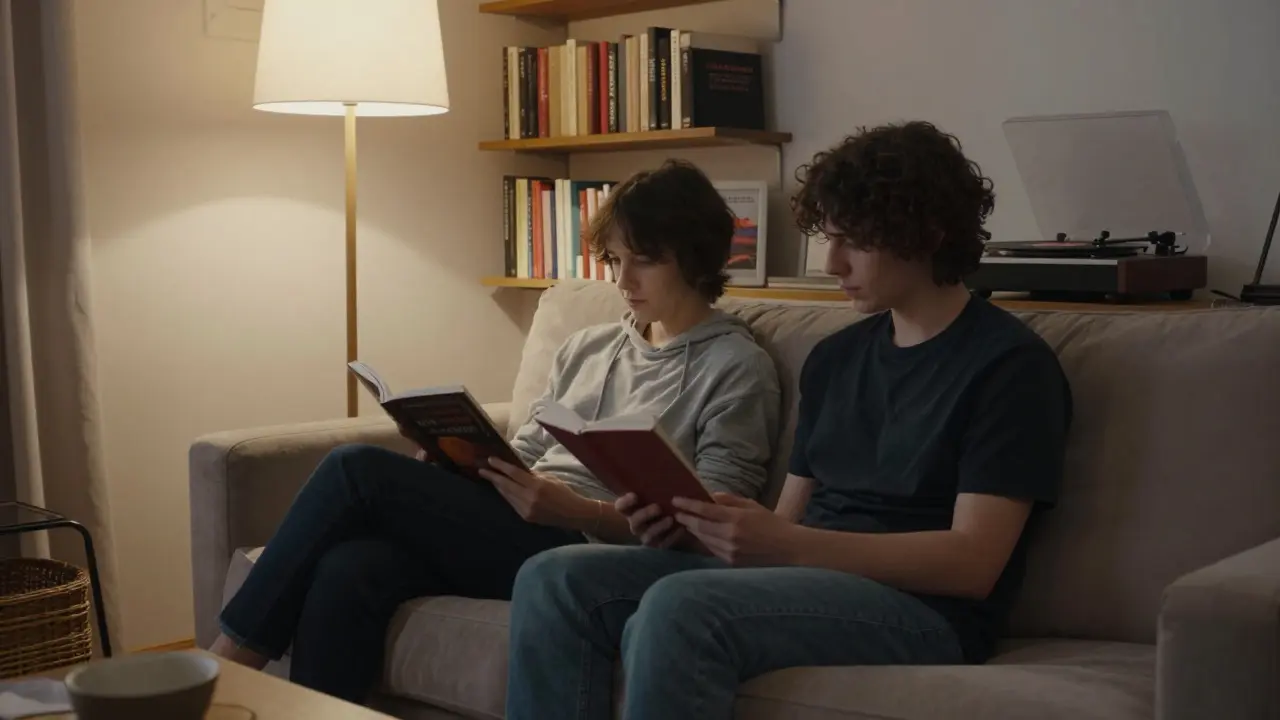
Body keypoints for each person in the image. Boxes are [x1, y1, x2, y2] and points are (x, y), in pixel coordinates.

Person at [503, 120, 1074, 720]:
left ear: (927, 234)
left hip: (925, 609)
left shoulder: (1009, 366)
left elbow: (972, 564)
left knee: (681, 606)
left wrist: (790, 545)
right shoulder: (837, 358)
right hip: (805, 578)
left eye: (853, 242)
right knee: (555, 577)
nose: (831, 263)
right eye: (829, 239)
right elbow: (785, 524)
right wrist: (702, 527)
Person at [209, 159, 782, 704]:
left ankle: (221, 678)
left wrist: (580, 512)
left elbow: (719, 524)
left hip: (589, 552)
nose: (622, 279)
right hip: (518, 522)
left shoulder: (736, 366)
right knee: (352, 565)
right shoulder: (589, 347)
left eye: (644, 261)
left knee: (355, 468)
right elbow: (528, 448)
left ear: (695, 258)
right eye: (614, 259)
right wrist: (462, 464)